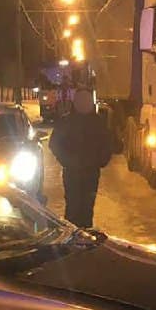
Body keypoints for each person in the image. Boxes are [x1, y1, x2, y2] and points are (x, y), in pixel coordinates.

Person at [49, 88, 113, 228]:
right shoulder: (67, 121)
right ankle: (71, 238)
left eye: (86, 101)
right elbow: (55, 144)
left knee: (87, 208)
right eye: (81, 101)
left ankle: (85, 236)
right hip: (72, 172)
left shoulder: (97, 122)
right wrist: (67, 161)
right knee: (73, 207)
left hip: (90, 172)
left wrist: (100, 161)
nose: (84, 104)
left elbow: (108, 144)